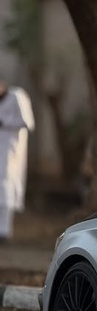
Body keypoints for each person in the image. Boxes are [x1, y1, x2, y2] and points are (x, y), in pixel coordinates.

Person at [0, 81, 35, 241]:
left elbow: (28, 123)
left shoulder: (17, 96)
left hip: (11, 152)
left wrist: (5, 123)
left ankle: (5, 231)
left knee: (6, 188)